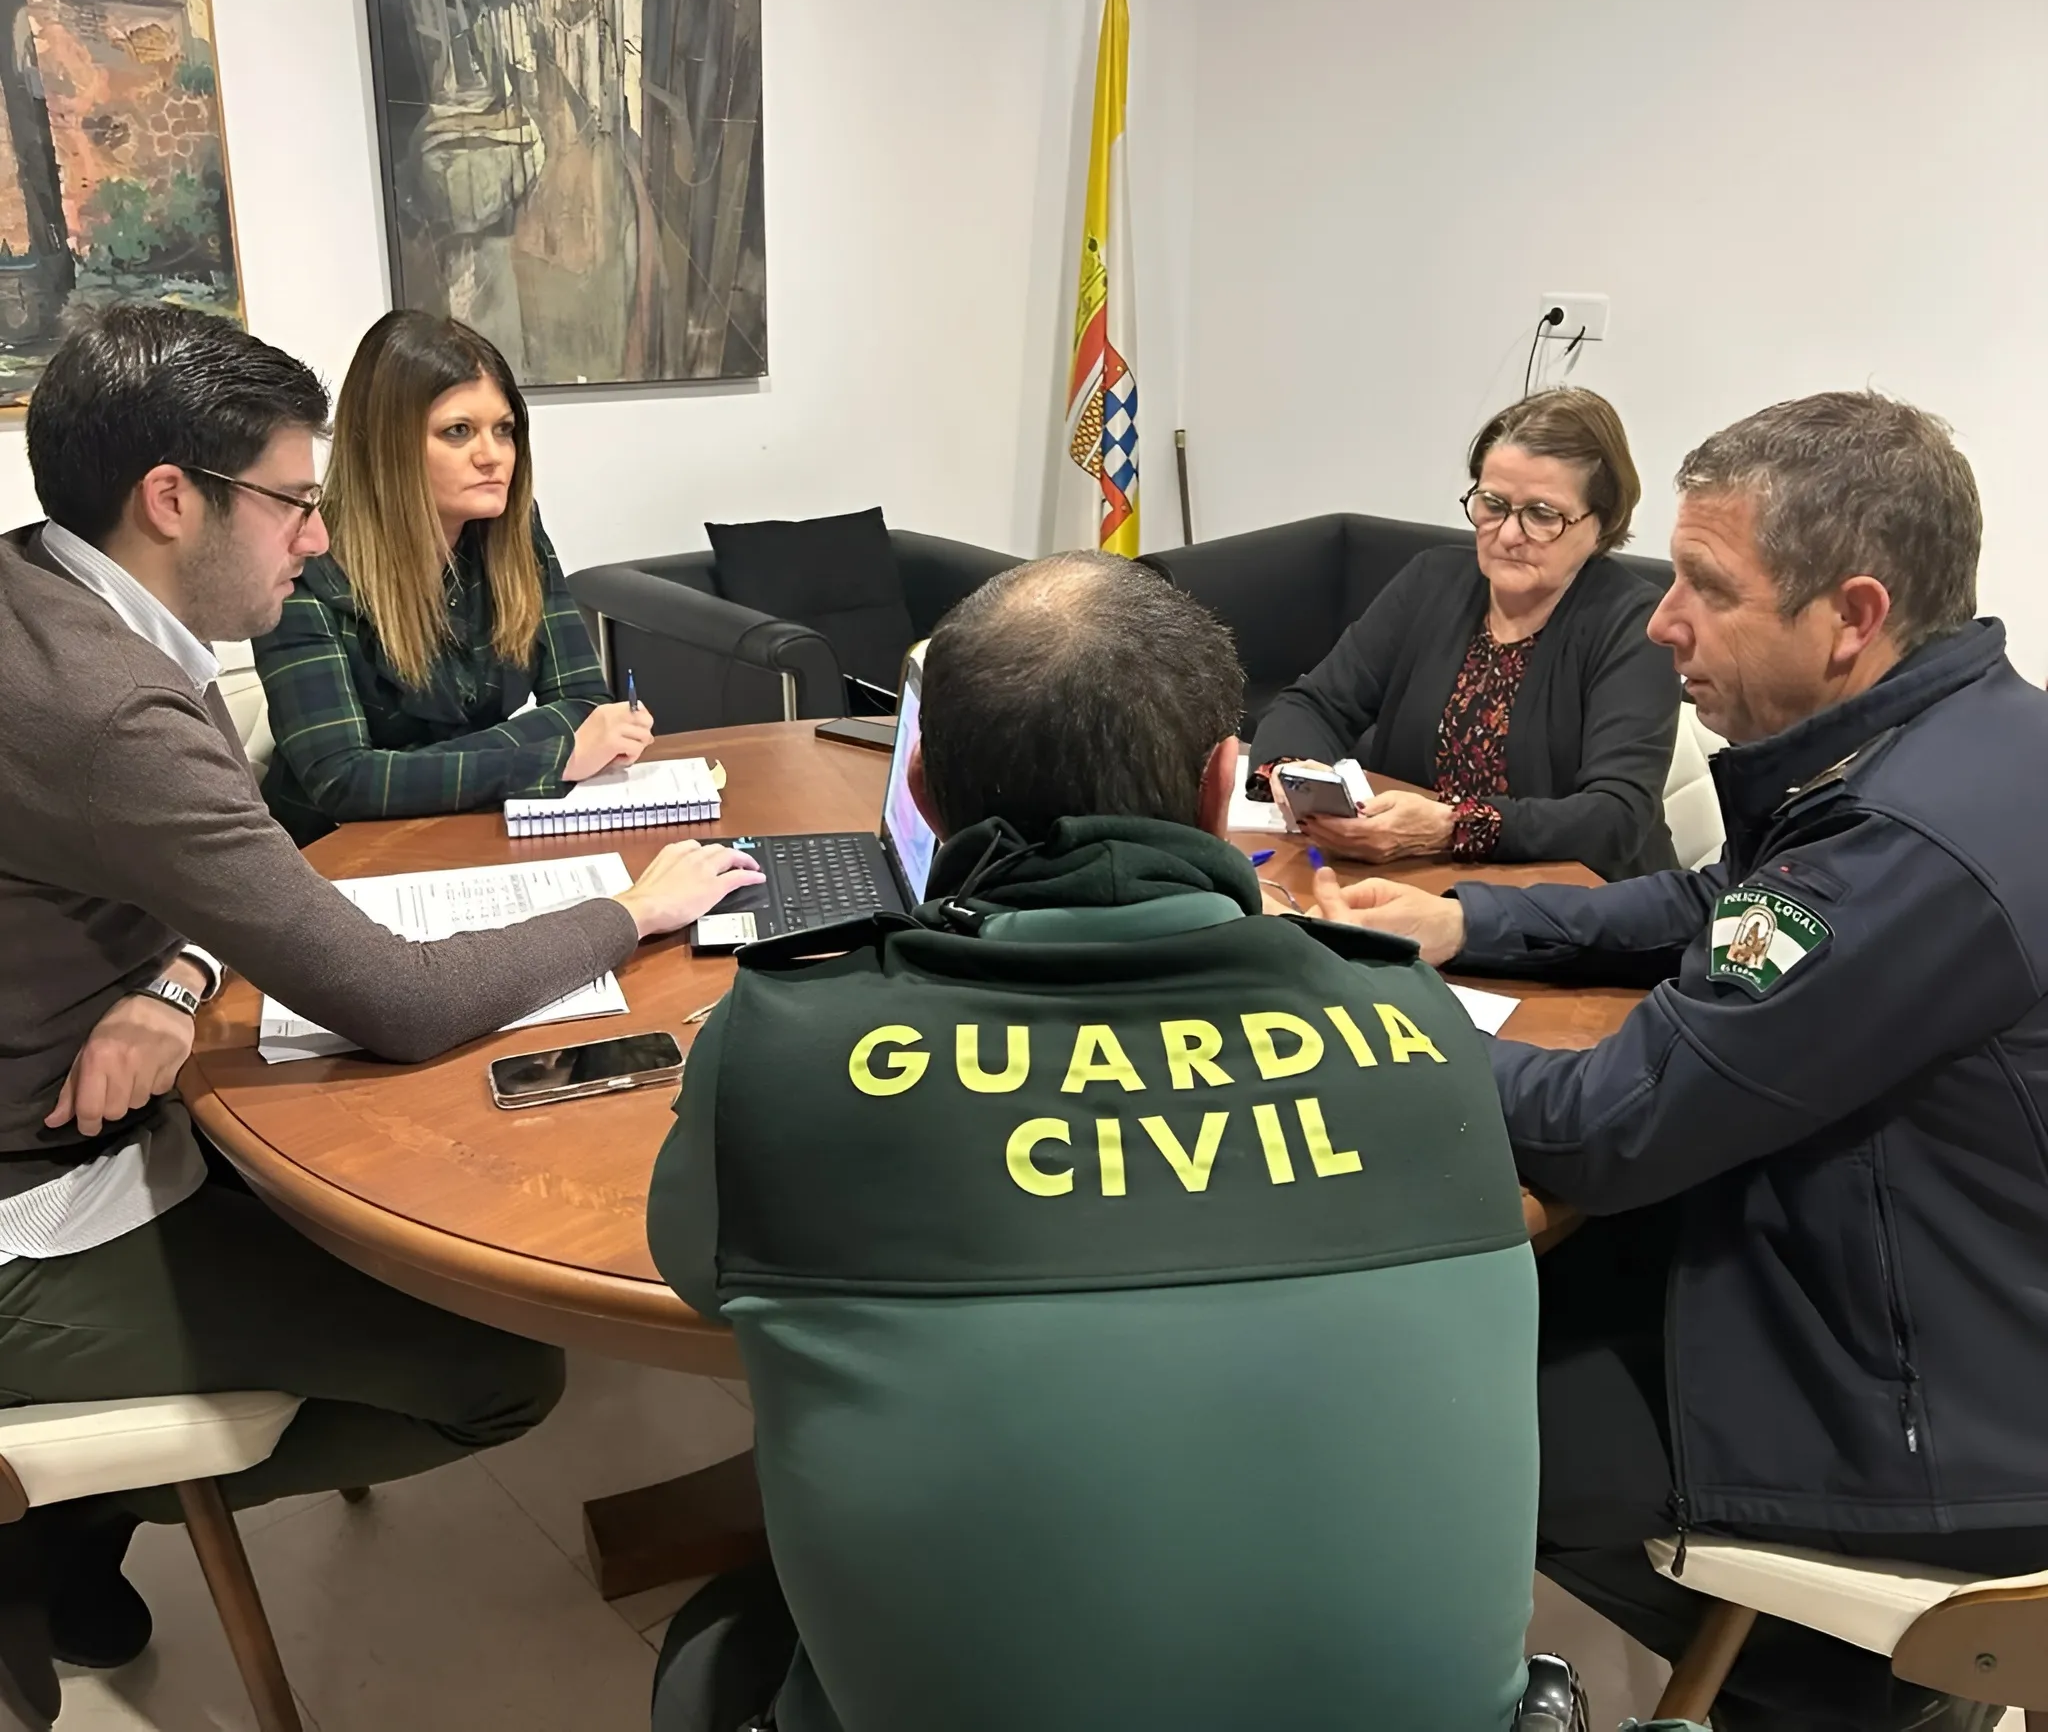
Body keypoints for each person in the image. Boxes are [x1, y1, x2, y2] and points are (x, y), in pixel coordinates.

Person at [0, 304, 762, 1706]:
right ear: (172, 499)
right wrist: (631, 911)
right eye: (294, 501)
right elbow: (392, 997)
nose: (315, 532)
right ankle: (48, 1525)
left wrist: (172, 974)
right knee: (502, 1370)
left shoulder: (42, 599)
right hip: (34, 1201)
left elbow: (185, 865)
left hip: (99, 1096)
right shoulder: (110, 707)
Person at [645, 553, 1544, 1730]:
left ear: (915, 783)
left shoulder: (783, 1047)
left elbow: (697, 1278)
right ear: (1223, 785)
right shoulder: (1411, 1021)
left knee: (715, 1640)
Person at [1310, 392, 2048, 1732]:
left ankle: (1830, 1683)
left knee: (1395, 1400)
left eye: (1706, 586)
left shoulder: (1902, 854)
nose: (1661, 621)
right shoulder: (1961, 740)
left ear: (1854, 616)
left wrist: (1356, 1022)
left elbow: (1605, 1121)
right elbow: (1719, 900)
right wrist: (1468, 920)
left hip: (1929, 1416)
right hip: (1935, 1288)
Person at [1248, 388, 1681, 881]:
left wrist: (1451, 827)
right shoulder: (1433, 580)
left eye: (1542, 515)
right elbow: (1315, 704)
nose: (1508, 534)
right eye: (1493, 504)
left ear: (1602, 525)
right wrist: (1293, 774)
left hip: (1576, 907)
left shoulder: (1638, 624)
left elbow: (1615, 817)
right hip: (1416, 880)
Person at [254, 309, 651, 845]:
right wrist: (554, 753)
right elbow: (343, 779)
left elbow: (585, 702)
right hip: (340, 856)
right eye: (458, 431)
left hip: (477, 829)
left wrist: (420, 766)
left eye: (504, 430)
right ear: (386, 444)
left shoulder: (514, 530)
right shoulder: (308, 558)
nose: (493, 456)